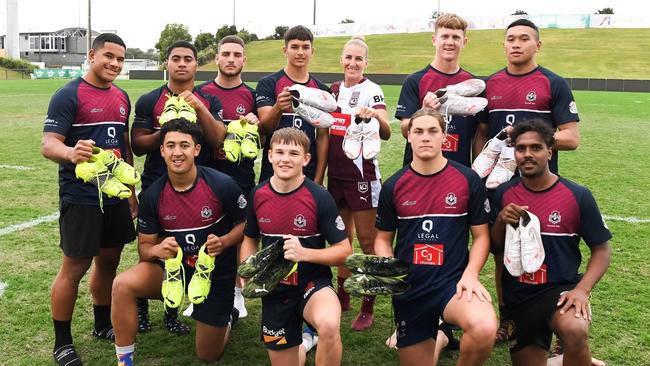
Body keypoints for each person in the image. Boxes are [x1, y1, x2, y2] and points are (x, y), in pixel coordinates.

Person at [472, 19, 580, 344]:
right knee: (502, 252)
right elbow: (480, 134)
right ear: (503, 45)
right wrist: (482, 175)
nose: (516, 44)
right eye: (510, 39)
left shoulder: (553, 83)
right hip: (502, 187)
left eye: (523, 39)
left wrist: (525, 139)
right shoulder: (489, 84)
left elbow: (572, 137)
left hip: (543, 185)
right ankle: (509, 319)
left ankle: (560, 320)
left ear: (537, 45)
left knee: (549, 249)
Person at [111, 118, 247, 365]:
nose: (177, 152)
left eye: (184, 145)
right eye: (170, 145)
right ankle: (125, 360)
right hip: (174, 272)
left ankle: (227, 315)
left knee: (207, 355)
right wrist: (158, 249)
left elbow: (246, 224)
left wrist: (225, 241)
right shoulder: (153, 195)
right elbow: (144, 249)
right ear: (162, 150)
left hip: (213, 274)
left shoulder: (222, 184)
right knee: (122, 284)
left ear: (196, 149)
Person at [41, 33, 137, 366]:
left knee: (109, 260)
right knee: (74, 268)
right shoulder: (68, 94)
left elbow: (124, 151)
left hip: (115, 198)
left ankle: (101, 323)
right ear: (92, 55)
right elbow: (49, 144)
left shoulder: (123, 97)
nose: (114, 64)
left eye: (120, 59)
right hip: (81, 197)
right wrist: (71, 152)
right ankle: (62, 343)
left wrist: (131, 194)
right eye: (109, 56)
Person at [374, 109, 496, 366]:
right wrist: (390, 270)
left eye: (433, 131)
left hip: (451, 285)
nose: (425, 137)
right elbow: (383, 239)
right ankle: (440, 335)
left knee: (484, 328)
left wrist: (471, 274)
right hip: (411, 289)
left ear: (444, 136)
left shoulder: (467, 179)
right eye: (418, 131)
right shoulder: (394, 185)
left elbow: (482, 236)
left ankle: (441, 331)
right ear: (409, 137)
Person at [490, 119, 611, 366]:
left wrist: (581, 290)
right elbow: (495, 248)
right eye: (520, 148)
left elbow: (601, 250)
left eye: (535, 148)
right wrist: (501, 220)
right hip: (519, 296)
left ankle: (576, 353)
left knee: (575, 331)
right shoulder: (503, 194)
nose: (527, 154)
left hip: (559, 291)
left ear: (549, 151)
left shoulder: (577, 195)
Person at [131, 40, 226, 334]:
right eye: (176, 58)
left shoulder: (209, 99)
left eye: (188, 59)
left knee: (185, 250)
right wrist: (168, 131)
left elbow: (218, 139)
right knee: (151, 245)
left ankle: (172, 315)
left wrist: (198, 109)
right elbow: (136, 144)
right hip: (156, 185)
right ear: (166, 64)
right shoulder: (150, 100)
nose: (182, 63)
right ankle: (143, 306)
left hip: (195, 186)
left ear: (197, 65)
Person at [240, 128, 352, 366]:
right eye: (279, 152)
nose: (285, 159)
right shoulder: (258, 194)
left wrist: (305, 253)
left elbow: (344, 251)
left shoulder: (319, 196)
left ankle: (310, 336)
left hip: (312, 284)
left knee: (329, 325)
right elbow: (249, 238)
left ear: (306, 159)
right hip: (274, 289)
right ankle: (304, 342)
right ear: (269, 156)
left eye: (293, 153)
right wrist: (244, 270)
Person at [327, 35, 391, 331]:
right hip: (336, 175)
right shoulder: (334, 90)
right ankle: (343, 294)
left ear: (366, 62)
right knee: (342, 240)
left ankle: (368, 305)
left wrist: (375, 116)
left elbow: (388, 130)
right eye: (348, 57)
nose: (353, 63)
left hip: (362, 176)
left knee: (367, 241)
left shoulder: (372, 90)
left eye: (358, 58)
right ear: (341, 60)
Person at [197, 35, 260, 318]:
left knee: (238, 235)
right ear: (217, 59)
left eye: (237, 54)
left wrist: (257, 123)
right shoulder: (201, 92)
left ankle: (237, 294)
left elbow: (264, 135)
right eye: (226, 54)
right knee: (204, 232)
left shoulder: (253, 95)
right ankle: (201, 288)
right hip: (206, 176)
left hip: (241, 177)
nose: (231, 59)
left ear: (244, 60)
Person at [395, 13, 482, 168]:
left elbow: (479, 135)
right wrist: (424, 111)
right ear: (434, 40)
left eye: (456, 37)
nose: (450, 42)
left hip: (459, 170)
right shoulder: (415, 80)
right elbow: (404, 129)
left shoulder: (473, 85)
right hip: (419, 170)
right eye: (444, 36)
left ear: (464, 42)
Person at [255, 25, 330, 184]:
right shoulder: (268, 83)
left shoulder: (322, 90)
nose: (300, 52)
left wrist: (319, 178)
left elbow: (323, 137)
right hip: (274, 168)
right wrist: (278, 108)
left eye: (305, 47)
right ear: (285, 50)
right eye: (294, 47)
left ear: (312, 51)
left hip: (308, 168)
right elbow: (264, 128)